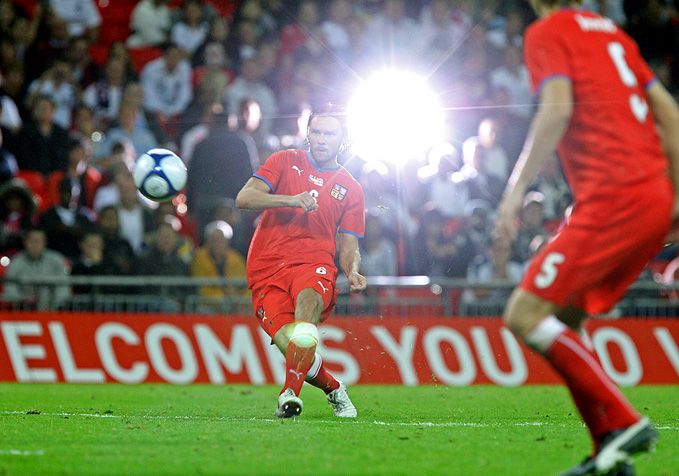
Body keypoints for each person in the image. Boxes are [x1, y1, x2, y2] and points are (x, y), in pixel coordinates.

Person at [494, 2, 679, 474]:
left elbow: (557, 109)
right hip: (651, 194)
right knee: (566, 317)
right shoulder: (615, 36)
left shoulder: (547, 32)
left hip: (613, 196)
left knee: (524, 313)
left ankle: (624, 419)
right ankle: (607, 452)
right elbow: (671, 118)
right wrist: (673, 199)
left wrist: (514, 193)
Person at [236, 104, 366, 419]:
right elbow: (244, 198)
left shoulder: (350, 188)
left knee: (307, 308)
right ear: (307, 133)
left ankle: (288, 394)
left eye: (329, 133)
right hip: (267, 268)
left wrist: (352, 270)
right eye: (316, 131)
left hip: (314, 264)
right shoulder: (283, 162)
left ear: (343, 139)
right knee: (291, 343)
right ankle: (335, 388)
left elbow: (348, 242)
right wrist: (290, 200)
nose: (321, 139)